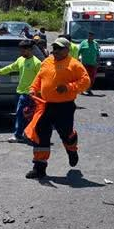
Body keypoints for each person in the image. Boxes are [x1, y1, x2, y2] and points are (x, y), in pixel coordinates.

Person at [23, 37, 91, 179]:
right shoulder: (47, 62)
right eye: (54, 48)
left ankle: (72, 150)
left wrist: (68, 87)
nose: (56, 51)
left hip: (65, 106)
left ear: (67, 50)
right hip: (45, 105)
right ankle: (39, 167)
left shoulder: (74, 64)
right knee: (41, 134)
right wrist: (33, 89)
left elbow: (86, 82)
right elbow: (39, 78)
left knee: (66, 134)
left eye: (59, 48)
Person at [0, 39, 42, 141]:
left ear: (30, 49)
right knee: (23, 115)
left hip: (30, 94)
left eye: (23, 50)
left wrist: (38, 93)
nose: (21, 52)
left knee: (22, 114)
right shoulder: (20, 59)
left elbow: (41, 79)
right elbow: (11, 67)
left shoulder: (37, 63)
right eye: (20, 50)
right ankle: (25, 134)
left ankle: (19, 135)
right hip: (20, 92)